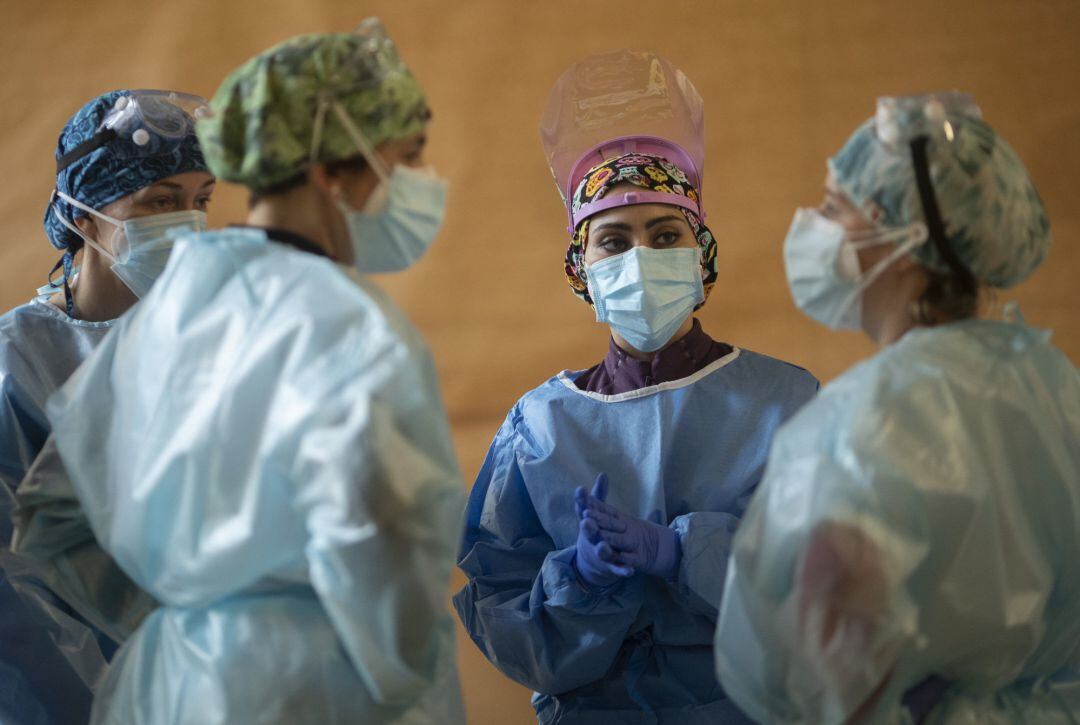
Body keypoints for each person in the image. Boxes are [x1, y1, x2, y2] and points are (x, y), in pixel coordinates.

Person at [39, 21, 466, 725]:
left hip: (168, 686)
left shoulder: (174, 302)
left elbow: (54, 516)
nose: (423, 182)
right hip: (312, 691)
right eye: (408, 157)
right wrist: (405, 684)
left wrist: (188, 610)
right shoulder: (350, 327)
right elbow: (389, 552)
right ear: (331, 172)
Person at [454, 50, 818, 723]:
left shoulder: (786, 405)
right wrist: (577, 578)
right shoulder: (539, 428)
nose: (640, 259)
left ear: (701, 257)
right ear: (580, 269)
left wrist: (686, 551)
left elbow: (830, 584)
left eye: (664, 234)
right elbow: (502, 608)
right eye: (613, 241)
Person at [714, 92, 1080, 723]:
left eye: (836, 209)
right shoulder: (1053, 383)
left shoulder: (874, 418)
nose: (814, 226)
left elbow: (823, 653)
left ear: (905, 243)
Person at [0, 88, 212, 725]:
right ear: (84, 216)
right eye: (161, 202)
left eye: (201, 201)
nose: (189, 223)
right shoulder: (17, 367)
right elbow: (14, 596)